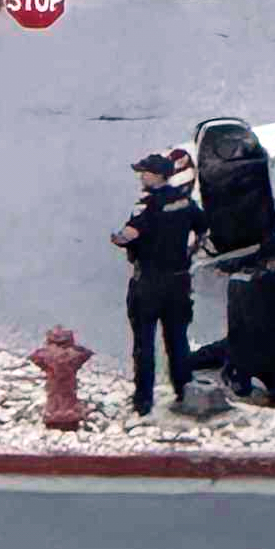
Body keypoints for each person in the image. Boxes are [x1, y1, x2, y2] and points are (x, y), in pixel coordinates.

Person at [111, 153, 209, 416]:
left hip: (149, 283)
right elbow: (203, 226)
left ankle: (143, 401)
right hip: (178, 280)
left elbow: (129, 235)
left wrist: (117, 238)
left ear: (157, 175)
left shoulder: (146, 205)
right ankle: (183, 391)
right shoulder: (184, 200)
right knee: (177, 340)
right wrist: (190, 251)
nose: (141, 177)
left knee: (144, 343)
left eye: (145, 172)